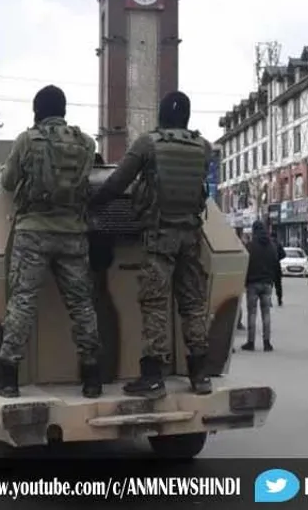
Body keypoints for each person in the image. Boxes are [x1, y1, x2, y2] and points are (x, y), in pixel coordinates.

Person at [92, 91, 213, 398]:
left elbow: (118, 182)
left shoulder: (148, 144)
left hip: (160, 236)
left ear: (161, 115)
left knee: (155, 304)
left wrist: (94, 204)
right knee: (193, 305)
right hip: (192, 235)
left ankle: (153, 376)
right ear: (187, 116)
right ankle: (200, 375)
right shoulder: (203, 146)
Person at [0, 84, 100, 399]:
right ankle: (92, 376)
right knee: (82, 305)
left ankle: (9, 377)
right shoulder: (86, 143)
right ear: (64, 111)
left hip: (33, 232)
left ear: (37, 110)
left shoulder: (28, 140)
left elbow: (9, 182)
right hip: (73, 235)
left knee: (23, 301)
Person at [241, 221, 279, 352]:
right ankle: (267, 343)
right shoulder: (272, 246)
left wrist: (244, 281)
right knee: (266, 313)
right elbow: (276, 263)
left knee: (252, 313)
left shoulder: (250, 246)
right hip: (267, 283)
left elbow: (244, 263)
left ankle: (250, 343)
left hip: (252, 283)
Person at [270, 231, 285, 307]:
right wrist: (278, 258)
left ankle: (269, 301)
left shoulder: (268, 244)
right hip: (277, 266)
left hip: (269, 267)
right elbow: (283, 254)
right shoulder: (278, 244)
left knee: (270, 284)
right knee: (278, 285)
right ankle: (279, 300)